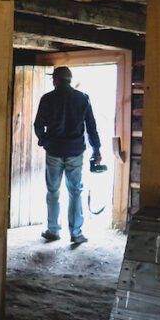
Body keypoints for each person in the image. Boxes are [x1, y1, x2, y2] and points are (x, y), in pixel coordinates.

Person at [33, 66, 101, 244]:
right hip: (75, 151)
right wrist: (97, 150)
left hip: (54, 150)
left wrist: (44, 141)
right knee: (75, 192)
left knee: (53, 191)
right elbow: (91, 127)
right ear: (69, 80)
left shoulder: (47, 99)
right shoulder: (82, 98)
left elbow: (38, 125)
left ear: (56, 80)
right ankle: (76, 233)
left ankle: (53, 230)